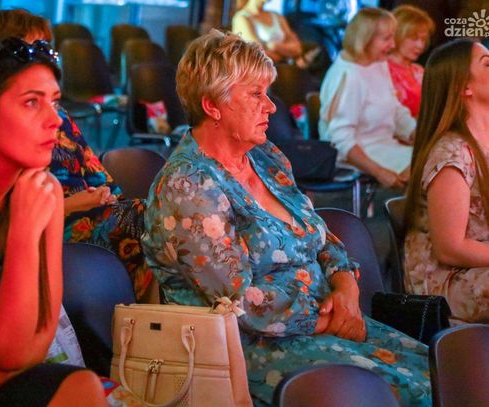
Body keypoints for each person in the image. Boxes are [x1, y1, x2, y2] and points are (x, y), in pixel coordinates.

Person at [142, 30, 431, 407]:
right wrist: (332, 319)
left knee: (440, 372)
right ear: (212, 105)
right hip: (253, 349)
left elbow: (320, 236)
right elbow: (238, 302)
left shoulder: (267, 159)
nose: (271, 107)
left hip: (327, 322)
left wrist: (346, 286)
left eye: (268, 93)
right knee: (408, 394)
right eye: (256, 94)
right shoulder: (188, 185)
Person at [0, 37, 107, 406]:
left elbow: (38, 340)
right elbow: (8, 350)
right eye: (32, 102)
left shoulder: (42, 191)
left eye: (54, 101)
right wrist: (23, 232)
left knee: (82, 385)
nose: (56, 120)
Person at [0, 9, 153, 300]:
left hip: (83, 211)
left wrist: (106, 196)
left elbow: (98, 174)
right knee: (151, 222)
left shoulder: (58, 116)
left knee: (152, 217)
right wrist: (72, 204)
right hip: (59, 221)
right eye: (34, 49)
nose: (52, 119)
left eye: (47, 48)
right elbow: (11, 219)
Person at [404, 39, 489, 323]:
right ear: (464, 87)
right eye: (487, 64)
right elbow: (450, 248)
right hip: (449, 279)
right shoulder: (452, 153)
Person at [318, 8, 416, 188]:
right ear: (365, 39)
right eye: (386, 39)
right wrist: (379, 172)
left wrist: (417, 132)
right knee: (434, 170)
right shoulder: (349, 76)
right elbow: (340, 140)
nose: (393, 45)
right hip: (360, 153)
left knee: (441, 160)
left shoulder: (378, 63)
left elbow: (395, 109)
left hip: (385, 147)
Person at [232, 0, 319, 68]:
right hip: (262, 74)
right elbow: (258, 54)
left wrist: (274, 46)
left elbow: (297, 48)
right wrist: (285, 56)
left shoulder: (277, 16)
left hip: (284, 72)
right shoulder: (241, 18)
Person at [387, 5, 434, 118]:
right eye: (414, 38)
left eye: (423, 39)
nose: (420, 45)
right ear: (397, 34)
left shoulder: (419, 71)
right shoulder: (381, 70)